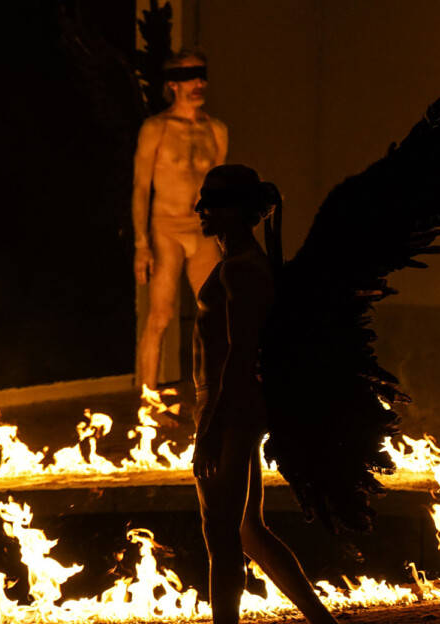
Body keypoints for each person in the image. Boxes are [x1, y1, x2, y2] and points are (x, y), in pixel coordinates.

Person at [191, 165, 339, 624]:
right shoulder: (240, 265)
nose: (200, 209)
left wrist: (212, 429)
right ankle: (324, 622)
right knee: (248, 532)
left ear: (236, 210)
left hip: (230, 410)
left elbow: (241, 353)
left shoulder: (242, 270)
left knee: (221, 534)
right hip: (227, 409)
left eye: (211, 202)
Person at [132, 50, 228, 392]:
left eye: (201, 76)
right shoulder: (156, 128)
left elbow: (218, 190)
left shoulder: (215, 130)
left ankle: (212, 394)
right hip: (166, 228)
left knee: (216, 313)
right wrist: (142, 244)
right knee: (160, 317)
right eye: (190, 77)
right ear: (173, 84)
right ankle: (149, 402)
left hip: (200, 230)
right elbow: (142, 186)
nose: (198, 84)